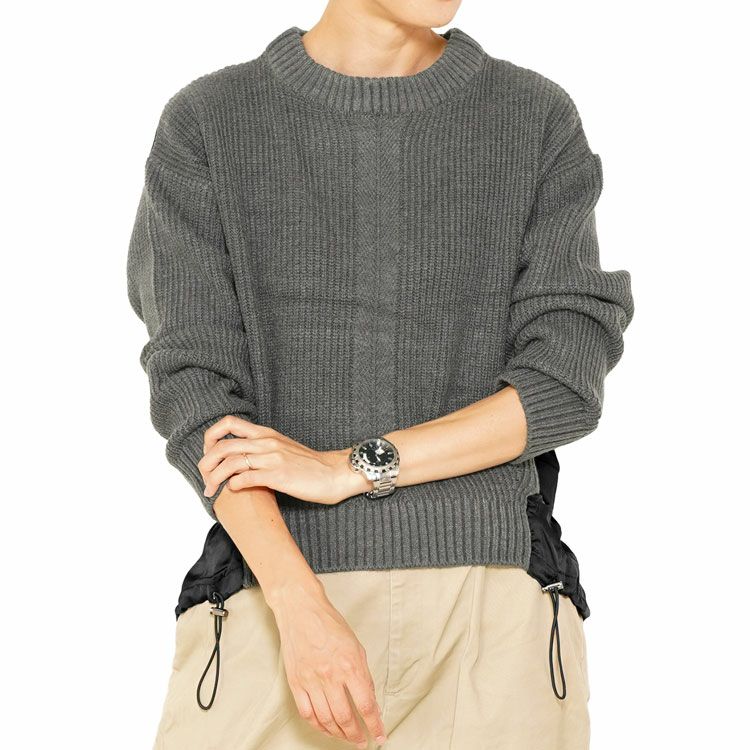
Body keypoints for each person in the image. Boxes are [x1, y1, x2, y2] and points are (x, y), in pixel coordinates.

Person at [126, 1, 634, 748]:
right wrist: (299, 605)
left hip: (491, 606)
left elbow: (563, 382)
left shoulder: (533, 117)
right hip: (272, 595)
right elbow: (196, 395)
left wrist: (348, 468)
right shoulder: (209, 121)